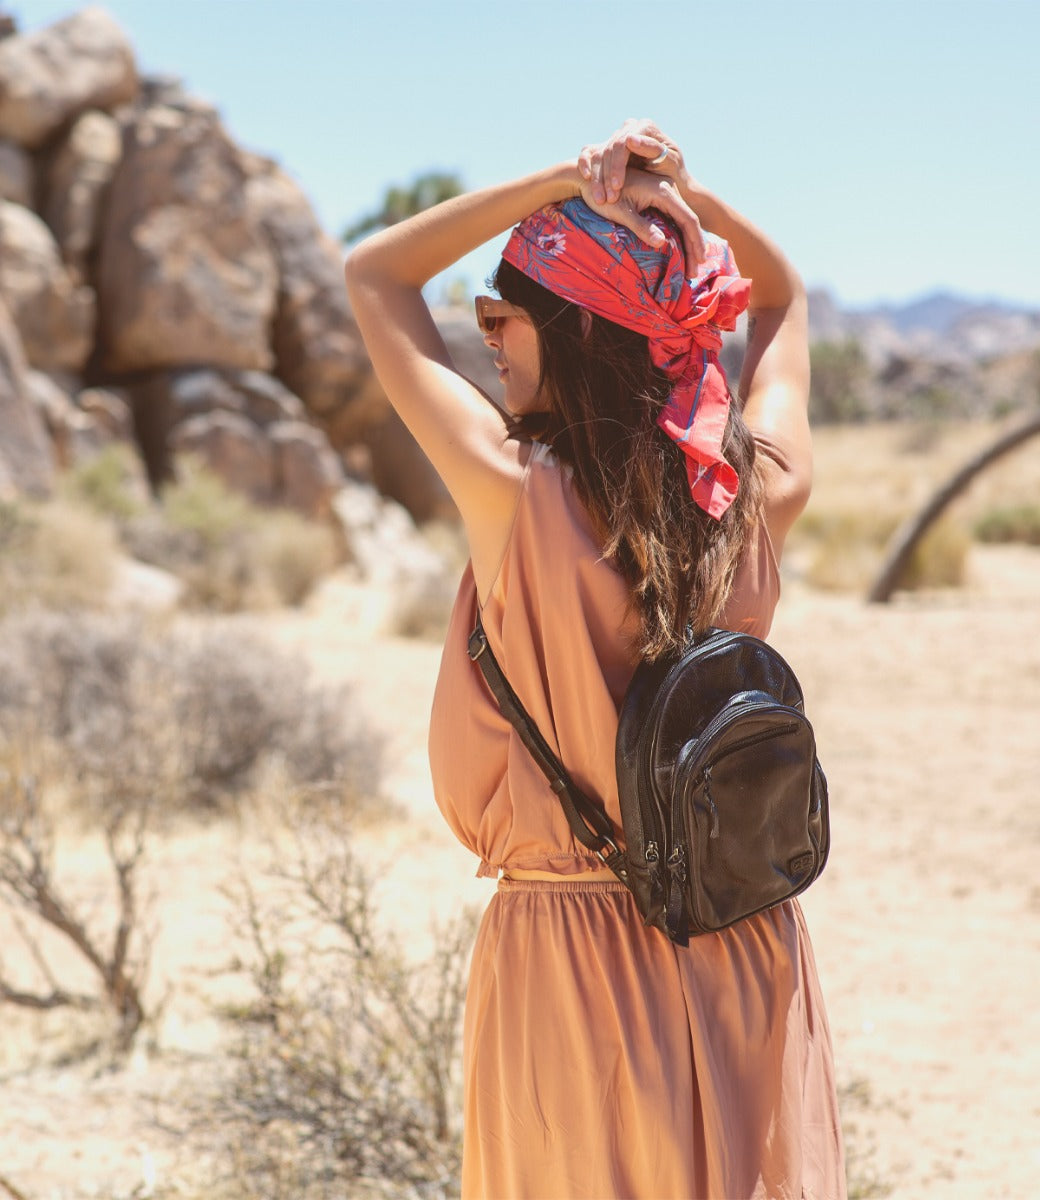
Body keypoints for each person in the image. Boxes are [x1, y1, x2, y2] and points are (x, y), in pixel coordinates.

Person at [345, 117, 845, 1200]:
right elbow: (784, 296)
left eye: (502, 316)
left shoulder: (513, 493)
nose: (486, 340)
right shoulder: (752, 490)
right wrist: (680, 201)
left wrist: (569, 181)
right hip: (741, 932)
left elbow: (373, 277)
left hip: (569, 958)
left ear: (574, 332)